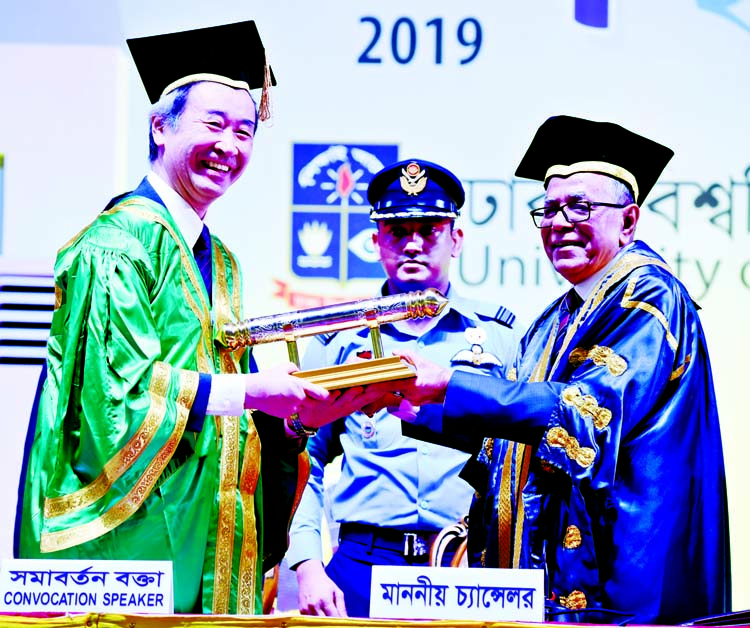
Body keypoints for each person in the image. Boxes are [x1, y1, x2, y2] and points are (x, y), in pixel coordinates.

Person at [13, 21, 371, 615]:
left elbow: (244, 404)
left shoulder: (219, 259)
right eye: (213, 125)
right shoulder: (118, 244)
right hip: (134, 545)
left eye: (245, 131)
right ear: (160, 126)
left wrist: (295, 418)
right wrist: (255, 390)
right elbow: (115, 397)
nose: (230, 147)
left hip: (212, 530)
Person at [393, 116, 731, 624]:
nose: (559, 222)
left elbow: (584, 409)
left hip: (626, 570)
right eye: (548, 209)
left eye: (581, 207)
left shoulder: (651, 297)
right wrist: (415, 406)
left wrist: (449, 383)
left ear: (630, 221)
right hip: (558, 576)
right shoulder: (558, 316)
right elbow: (515, 439)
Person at [286, 158, 520, 617]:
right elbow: (303, 458)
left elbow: (521, 457)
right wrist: (308, 563)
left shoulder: (500, 337)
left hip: (467, 564)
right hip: (361, 565)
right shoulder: (339, 340)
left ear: (456, 239)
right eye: (396, 230)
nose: (412, 244)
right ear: (375, 242)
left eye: (429, 229)